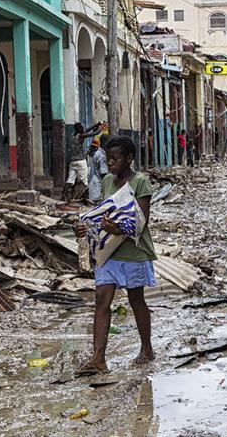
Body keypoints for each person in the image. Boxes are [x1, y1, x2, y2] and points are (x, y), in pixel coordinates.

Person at [74, 136, 157, 375]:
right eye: (108, 158)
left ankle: (146, 347)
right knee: (101, 299)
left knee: (136, 300)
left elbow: (141, 221)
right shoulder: (108, 181)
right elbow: (103, 213)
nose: (110, 163)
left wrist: (118, 228)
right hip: (109, 251)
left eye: (115, 158)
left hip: (133, 251)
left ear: (129, 159)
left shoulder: (140, 183)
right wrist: (85, 227)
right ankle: (98, 357)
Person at [64, 122, 104, 201]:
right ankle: (79, 197)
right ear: (79, 129)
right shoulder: (81, 136)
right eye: (82, 127)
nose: (83, 128)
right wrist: (101, 127)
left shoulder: (73, 135)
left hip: (72, 161)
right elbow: (96, 133)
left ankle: (64, 196)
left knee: (70, 180)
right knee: (84, 181)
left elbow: (86, 130)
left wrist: (95, 125)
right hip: (81, 161)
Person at [88, 134, 109, 203]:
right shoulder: (102, 155)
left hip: (94, 186)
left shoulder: (98, 153)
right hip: (98, 189)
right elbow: (104, 173)